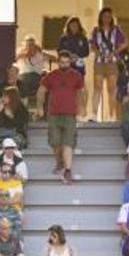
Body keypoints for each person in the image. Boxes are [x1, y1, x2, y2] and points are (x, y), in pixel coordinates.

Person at [38, 52, 85, 185]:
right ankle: (59, 161)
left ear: (70, 62)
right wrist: (40, 107)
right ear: (58, 62)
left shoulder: (76, 75)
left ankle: (68, 170)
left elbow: (82, 91)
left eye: (66, 62)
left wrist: (82, 106)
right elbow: (41, 91)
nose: (64, 64)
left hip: (70, 114)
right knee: (55, 142)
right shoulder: (51, 76)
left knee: (68, 142)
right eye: (62, 62)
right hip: (53, 114)